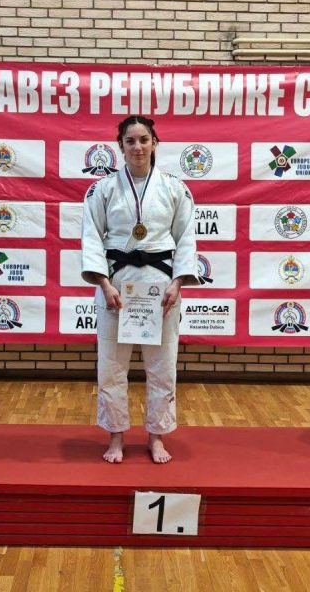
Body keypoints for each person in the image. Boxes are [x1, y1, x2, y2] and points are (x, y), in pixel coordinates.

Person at [81, 115, 198, 464]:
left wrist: (178, 282)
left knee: (162, 365)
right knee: (111, 366)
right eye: (130, 141)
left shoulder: (174, 188)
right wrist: (103, 283)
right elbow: (91, 236)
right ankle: (116, 436)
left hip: (161, 286)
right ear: (120, 146)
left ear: (154, 143)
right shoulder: (103, 189)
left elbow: (186, 237)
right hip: (116, 285)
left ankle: (157, 436)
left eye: (144, 140)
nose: (137, 147)